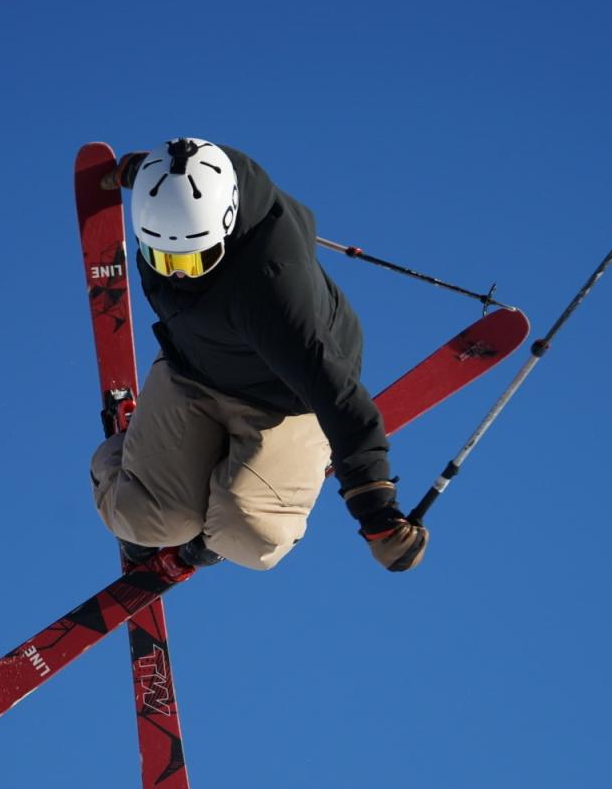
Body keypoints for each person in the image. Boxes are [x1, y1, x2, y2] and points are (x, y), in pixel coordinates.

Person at [91, 137, 428, 577]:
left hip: (286, 400)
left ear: (226, 223)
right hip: (194, 373)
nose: (176, 273)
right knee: (147, 520)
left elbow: (340, 399)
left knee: (250, 538)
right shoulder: (187, 186)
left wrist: (378, 514)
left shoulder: (273, 293)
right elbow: (173, 177)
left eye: (195, 260)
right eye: (160, 257)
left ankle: (217, 520)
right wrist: (138, 169)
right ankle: (132, 466)